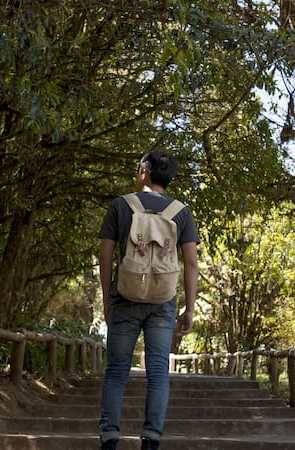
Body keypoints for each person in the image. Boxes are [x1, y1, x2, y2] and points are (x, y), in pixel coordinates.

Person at [97, 151, 199, 450]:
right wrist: (189, 309)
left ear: (143, 173)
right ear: (168, 179)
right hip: (163, 300)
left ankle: (109, 438)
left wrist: (107, 297)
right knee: (157, 373)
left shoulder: (121, 205)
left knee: (116, 372)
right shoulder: (182, 212)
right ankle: (152, 439)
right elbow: (191, 264)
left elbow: (105, 255)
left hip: (125, 296)